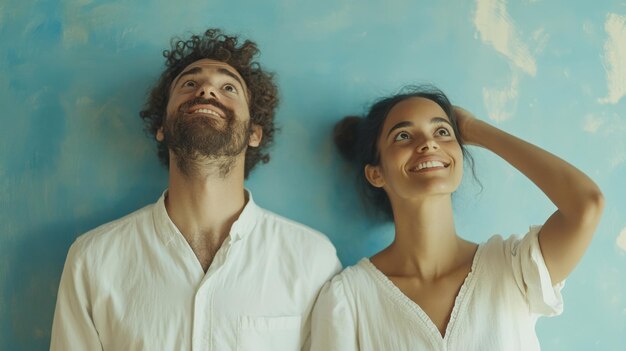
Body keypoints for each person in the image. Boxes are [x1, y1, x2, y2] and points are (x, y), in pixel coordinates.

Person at [51, 28, 341, 351]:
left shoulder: (312, 259)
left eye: (228, 87)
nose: (205, 89)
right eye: (190, 83)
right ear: (161, 127)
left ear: (254, 134)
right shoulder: (92, 260)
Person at [310, 86, 603, 350]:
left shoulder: (514, 268)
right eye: (403, 136)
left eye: (442, 132)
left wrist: (475, 129)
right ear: (376, 173)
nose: (428, 144)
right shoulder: (349, 298)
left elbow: (586, 205)